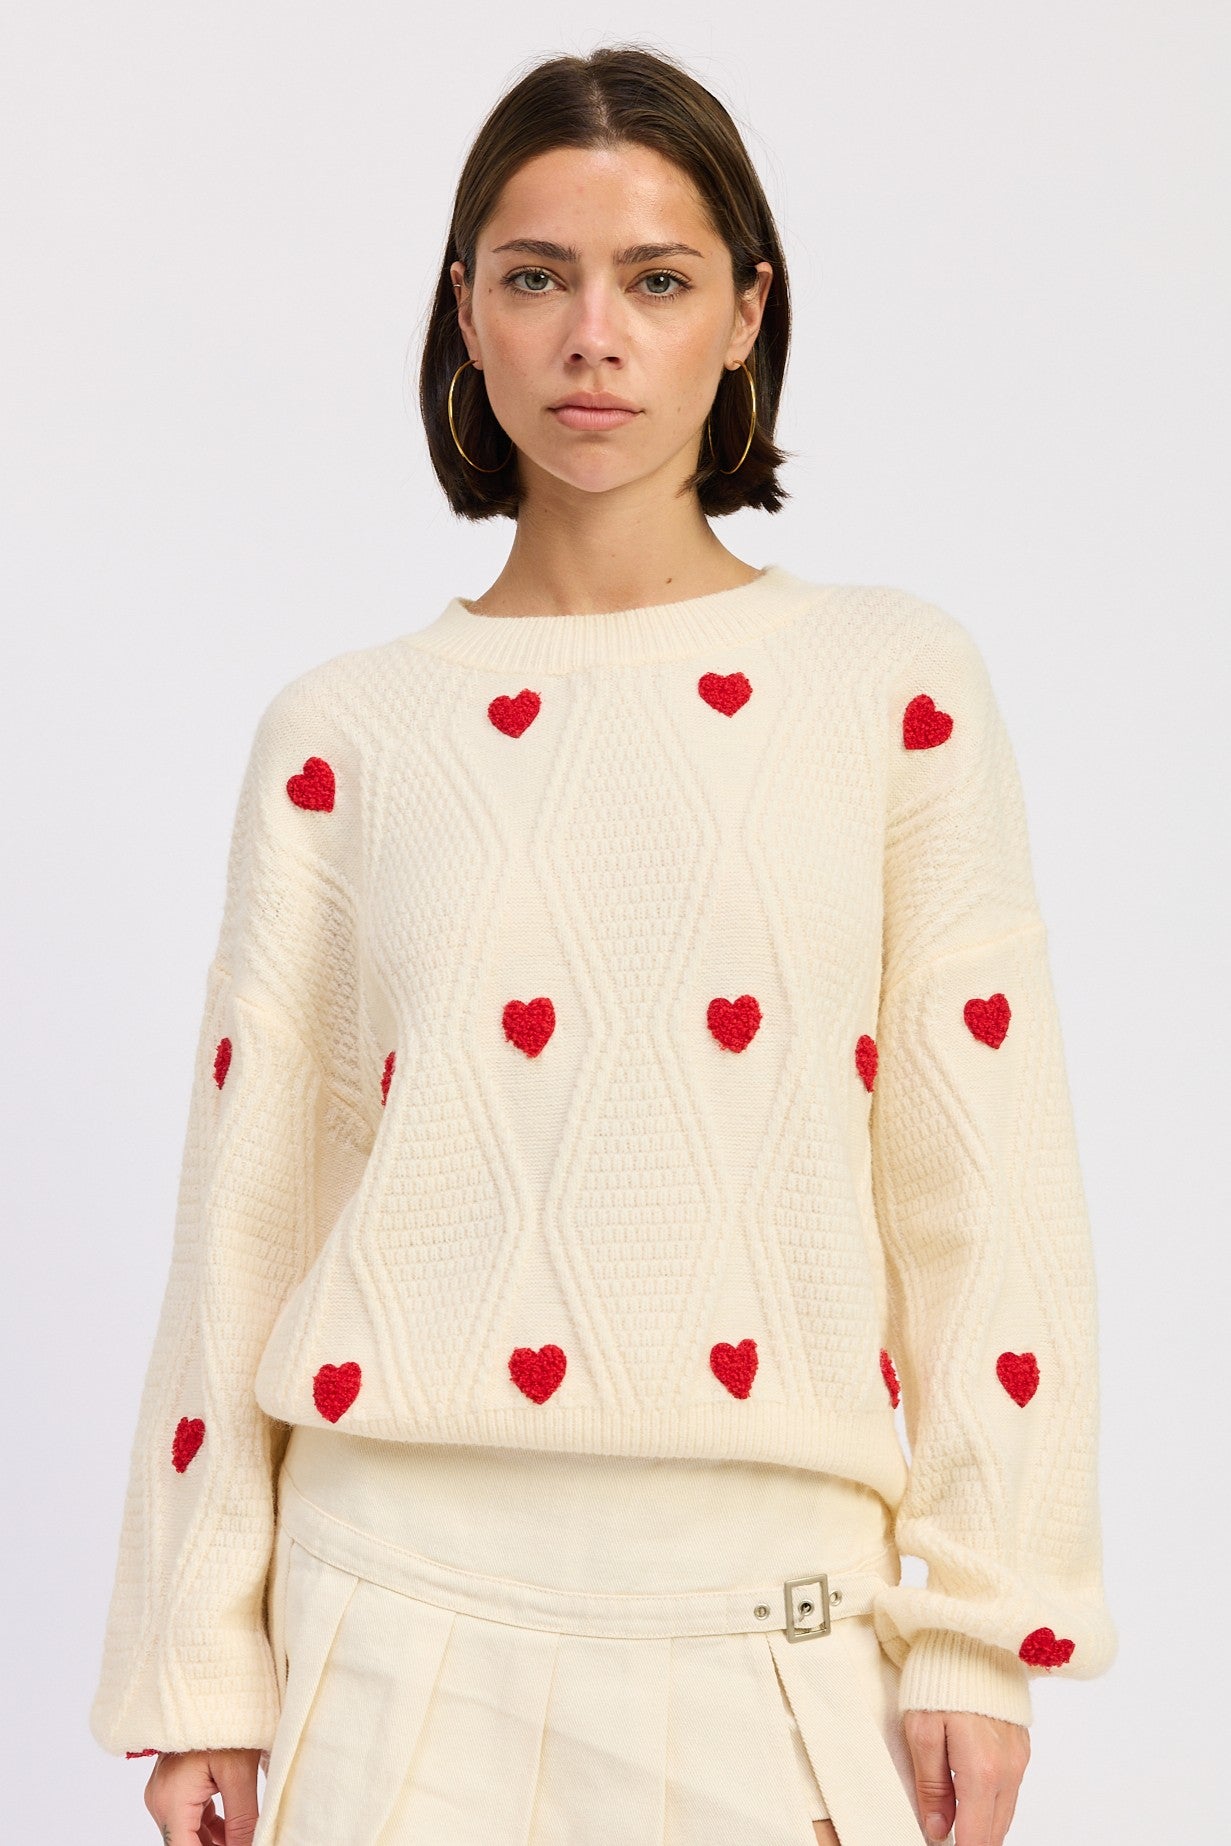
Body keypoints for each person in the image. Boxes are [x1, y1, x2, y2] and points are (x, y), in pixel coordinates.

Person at [88, 42, 1117, 1846]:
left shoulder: (889, 684)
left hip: (774, 1618)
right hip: (385, 1617)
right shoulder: (345, 734)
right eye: (535, 277)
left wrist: (981, 1624)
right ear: (464, 311)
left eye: (656, 280)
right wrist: (197, 1667)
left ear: (746, 313)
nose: (593, 338)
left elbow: (986, 1186)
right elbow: (245, 1216)